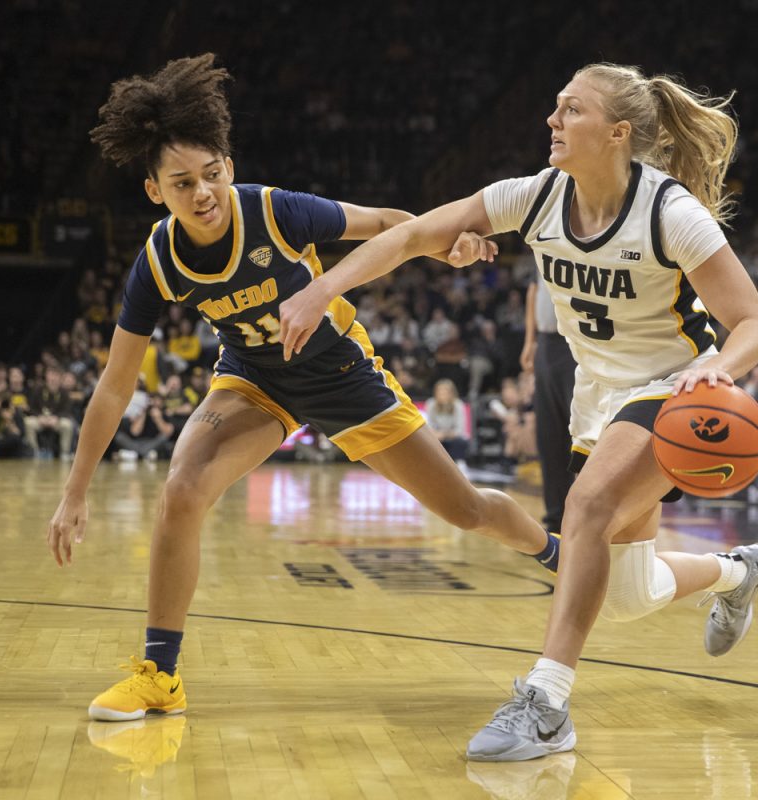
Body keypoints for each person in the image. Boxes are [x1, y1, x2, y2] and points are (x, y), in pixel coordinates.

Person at [280, 62, 758, 762]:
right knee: (631, 595)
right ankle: (739, 571)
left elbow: (756, 325)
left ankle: (545, 704)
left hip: (671, 390)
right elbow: (412, 234)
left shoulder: (670, 212)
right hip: (597, 397)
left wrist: (714, 366)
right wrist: (321, 288)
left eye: (570, 110)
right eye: (554, 106)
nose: (552, 120)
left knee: (585, 509)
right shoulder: (534, 196)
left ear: (617, 132)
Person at [46, 55, 560, 723]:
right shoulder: (157, 261)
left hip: (343, 377)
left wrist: (447, 245)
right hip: (254, 381)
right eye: (181, 183)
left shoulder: (273, 212)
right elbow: (114, 387)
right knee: (182, 490)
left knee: (465, 510)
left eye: (211, 174)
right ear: (154, 192)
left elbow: (383, 224)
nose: (201, 192)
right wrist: (75, 491)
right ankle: (160, 677)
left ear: (227, 165)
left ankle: (557, 553)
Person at [522, 272, 577, 533]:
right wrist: (530, 341)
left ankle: (590, 520)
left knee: (583, 434)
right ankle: (555, 520)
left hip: (580, 341)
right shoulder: (542, 234)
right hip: (546, 342)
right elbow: (534, 291)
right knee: (549, 436)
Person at [424, 378, 470, 462]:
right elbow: (428, 426)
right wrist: (437, 434)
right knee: (430, 442)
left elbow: (460, 430)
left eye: (445, 392)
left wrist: (445, 434)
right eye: (440, 392)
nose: (442, 395)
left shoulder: (458, 405)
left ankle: (460, 463)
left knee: (460, 442)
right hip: (437, 437)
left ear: (451, 393)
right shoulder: (430, 403)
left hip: (453, 437)